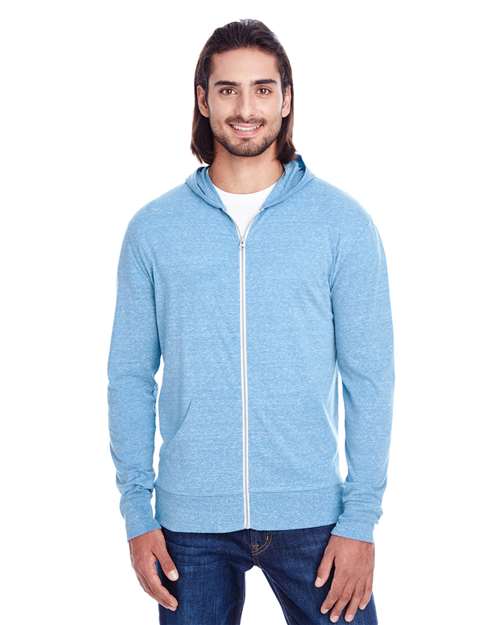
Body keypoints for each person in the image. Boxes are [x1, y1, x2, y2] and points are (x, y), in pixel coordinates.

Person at [107, 18, 395, 625]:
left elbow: (369, 378)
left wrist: (361, 519)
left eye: (263, 89)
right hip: (188, 524)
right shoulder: (153, 230)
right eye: (228, 89)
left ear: (286, 100)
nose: (245, 108)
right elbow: (130, 376)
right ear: (203, 99)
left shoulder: (341, 224)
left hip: (315, 518)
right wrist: (137, 512)